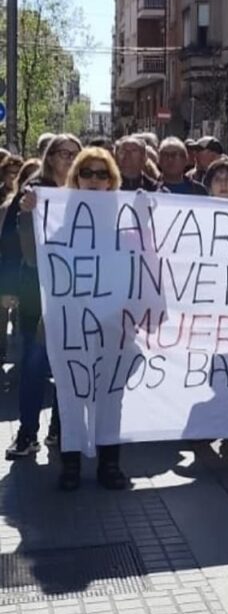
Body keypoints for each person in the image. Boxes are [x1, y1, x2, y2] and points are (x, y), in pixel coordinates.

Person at [23, 148, 128, 490]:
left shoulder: (127, 222)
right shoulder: (55, 220)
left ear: (112, 181)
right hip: (70, 324)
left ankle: (109, 464)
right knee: (70, 391)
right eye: (87, 173)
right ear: (76, 179)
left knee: (111, 394)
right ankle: (70, 463)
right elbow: (33, 257)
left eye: (102, 174)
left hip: (113, 325)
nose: (94, 180)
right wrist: (29, 216)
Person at [2, 134, 82, 460]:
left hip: (76, 296)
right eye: (62, 153)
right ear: (49, 158)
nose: (68, 159)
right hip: (36, 291)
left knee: (68, 366)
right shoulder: (31, 194)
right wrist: (6, 288)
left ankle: (60, 430)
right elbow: (8, 244)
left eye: (74, 154)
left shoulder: (89, 195)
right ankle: (27, 433)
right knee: (35, 364)